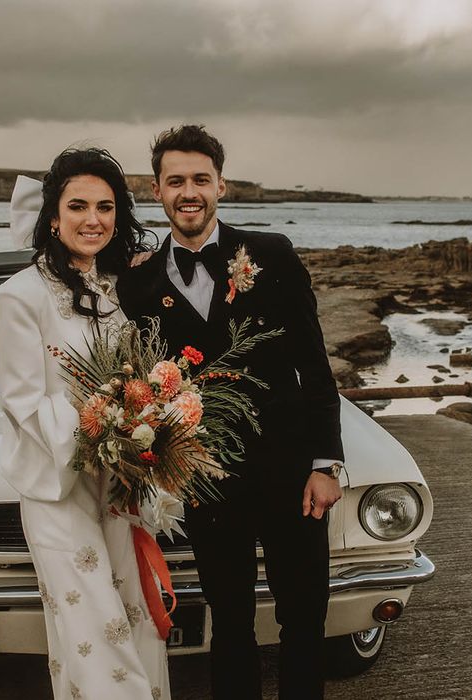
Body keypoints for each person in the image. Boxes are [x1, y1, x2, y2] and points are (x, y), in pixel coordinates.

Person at [117, 125, 344, 700]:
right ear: (157, 189)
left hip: (292, 471)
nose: (188, 192)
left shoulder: (271, 255)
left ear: (221, 184)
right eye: (175, 181)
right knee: (232, 622)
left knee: (303, 617)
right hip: (205, 479)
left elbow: (313, 365)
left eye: (200, 179)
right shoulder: (138, 283)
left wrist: (326, 462)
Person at [0, 148, 170, 700]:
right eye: (78, 206)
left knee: (133, 619)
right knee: (95, 629)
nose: (93, 219)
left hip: (119, 485)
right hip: (57, 484)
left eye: (105, 207)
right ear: (52, 216)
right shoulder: (18, 296)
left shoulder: (122, 290)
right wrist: (103, 422)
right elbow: (23, 401)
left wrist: (147, 422)